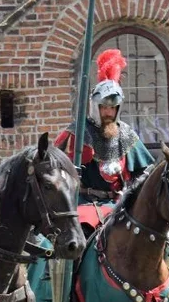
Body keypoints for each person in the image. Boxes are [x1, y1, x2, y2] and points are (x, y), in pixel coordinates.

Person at [54, 49, 153, 205]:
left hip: (118, 204)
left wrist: (131, 193)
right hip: (84, 202)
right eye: (104, 107)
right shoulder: (78, 131)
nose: (109, 112)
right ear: (95, 107)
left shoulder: (125, 133)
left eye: (113, 108)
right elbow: (53, 163)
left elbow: (145, 172)